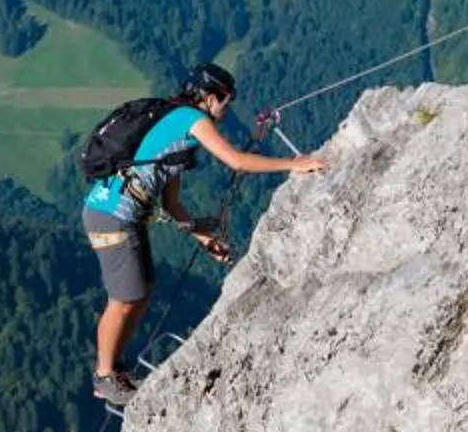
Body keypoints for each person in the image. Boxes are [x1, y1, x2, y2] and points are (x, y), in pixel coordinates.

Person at [83, 63, 324, 409]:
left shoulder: (175, 122)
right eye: (227, 101)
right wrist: (293, 164)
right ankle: (105, 376)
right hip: (112, 217)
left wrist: (204, 239)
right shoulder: (193, 121)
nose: (228, 109)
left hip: (115, 213)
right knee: (125, 297)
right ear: (212, 98)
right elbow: (236, 161)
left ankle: (113, 369)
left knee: (140, 292)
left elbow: (172, 203)